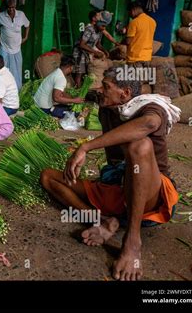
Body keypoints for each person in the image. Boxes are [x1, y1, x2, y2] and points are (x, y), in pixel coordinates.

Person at [40, 66, 180, 281]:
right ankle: (100, 220)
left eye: (106, 87)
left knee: (140, 146)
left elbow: (150, 123)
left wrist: (85, 147)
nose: (100, 90)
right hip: (117, 186)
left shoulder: (149, 108)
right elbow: (79, 95)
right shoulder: (107, 101)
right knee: (48, 177)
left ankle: (133, 241)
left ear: (125, 94)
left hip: (151, 196)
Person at [0, 0, 30, 90]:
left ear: (15, 6)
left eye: (13, 7)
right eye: (9, 7)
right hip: (5, 47)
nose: (11, 9)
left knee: (17, 71)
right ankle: (1, 89)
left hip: (17, 49)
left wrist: (26, 36)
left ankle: (17, 91)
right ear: (6, 6)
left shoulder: (21, 15)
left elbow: (27, 25)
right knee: (1, 70)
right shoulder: (1, 16)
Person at [72, 11, 111, 87]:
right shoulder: (89, 29)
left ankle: (81, 89)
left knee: (85, 72)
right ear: (98, 22)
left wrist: (104, 50)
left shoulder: (99, 31)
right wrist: (95, 52)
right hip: (79, 53)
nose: (104, 28)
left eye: (105, 26)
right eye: (103, 26)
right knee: (79, 73)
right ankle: (78, 93)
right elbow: (82, 44)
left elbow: (98, 44)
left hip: (87, 53)